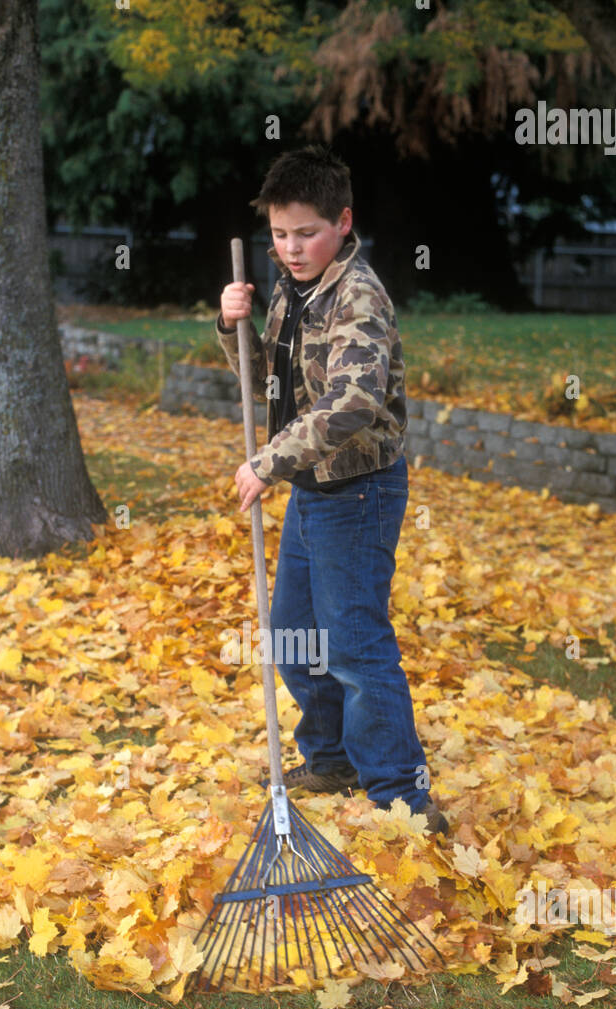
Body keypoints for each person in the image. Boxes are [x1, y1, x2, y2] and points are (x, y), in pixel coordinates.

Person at [216, 144, 449, 835]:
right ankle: (331, 759)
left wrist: (268, 463)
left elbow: (351, 403)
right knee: (292, 635)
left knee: (352, 643)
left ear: (343, 221)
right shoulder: (295, 290)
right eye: (279, 235)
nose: (290, 248)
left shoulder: (357, 298)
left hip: (359, 492)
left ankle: (401, 795)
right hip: (314, 489)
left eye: (306, 233)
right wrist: (232, 327)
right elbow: (266, 383)